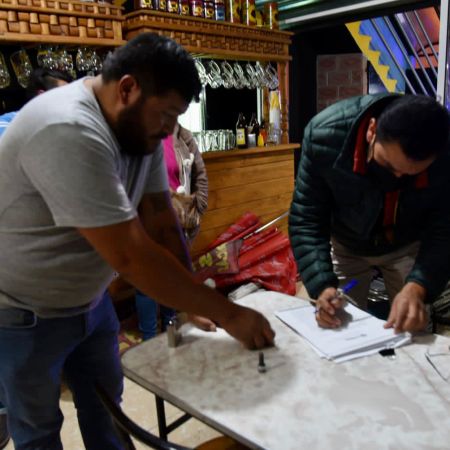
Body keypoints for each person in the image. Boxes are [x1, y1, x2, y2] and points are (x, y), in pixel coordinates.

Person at [0, 33, 275, 450]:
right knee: (39, 430)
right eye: (166, 115)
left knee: (107, 411)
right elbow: (131, 254)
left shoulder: (139, 132)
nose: (170, 129)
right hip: (25, 311)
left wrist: (191, 300)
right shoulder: (68, 127)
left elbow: (161, 220)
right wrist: (228, 313)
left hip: (91, 303)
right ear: (127, 88)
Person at [289, 94, 450, 334]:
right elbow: (307, 219)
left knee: (414, 329)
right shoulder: (325, 136)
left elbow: (444, 229)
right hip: (346, 244)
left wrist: (419, 286)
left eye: (411, 174)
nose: (397, 178)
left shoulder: (444, 153)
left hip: (407, 244)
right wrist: (322, 285)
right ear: (372, 130)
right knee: (334, 324)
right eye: (388, 165)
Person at [0, 67, 72, 450]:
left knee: (32, 412)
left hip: (55, 293)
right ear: (42, 97)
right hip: (21, 299)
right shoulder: (14, 133)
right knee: (34, 422)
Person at [135, 122, 209, 339]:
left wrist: (198, 206)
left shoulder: (181, 134)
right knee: (146, 283)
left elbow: (200, 173)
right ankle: (149, 340)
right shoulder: (136, 134)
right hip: (145, 220)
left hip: (178, 222)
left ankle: (171, 332)